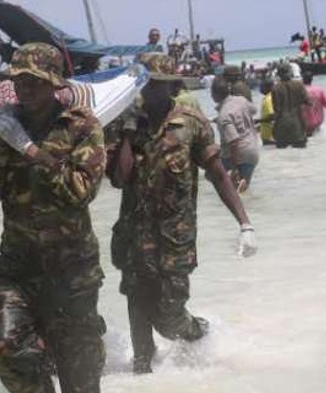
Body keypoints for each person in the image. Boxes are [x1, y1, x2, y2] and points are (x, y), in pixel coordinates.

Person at [0, 43, 107, 393]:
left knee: (82, 384)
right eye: (18, 81)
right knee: (4, 348)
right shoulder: (0, 127)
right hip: (19, 268)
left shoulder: (81, 126)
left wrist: (29, 150)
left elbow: (80, 190)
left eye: (34, 81)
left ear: (53, 84)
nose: (24, 88)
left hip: (72, 273)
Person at [108, 53, 257, 375]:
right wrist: (129, 133)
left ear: (172, 86)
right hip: (134, 235)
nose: (149, 91)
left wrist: (244, 223)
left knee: (170, 317)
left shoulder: (191, 122)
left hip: (174, 239)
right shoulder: (128, 124)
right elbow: (120, 179)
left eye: (157, 85)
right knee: (137, 301)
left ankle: (201, 334)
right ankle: (142, 369)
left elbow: (218, 174)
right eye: (144, 83)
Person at [211, 77, 260, 192]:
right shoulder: (241, 100)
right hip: (252, 151)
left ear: (214, 94)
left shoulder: (224, 115)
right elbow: (253, 111)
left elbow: (234, 142)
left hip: (237, 155)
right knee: (241, 191)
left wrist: (235, 168)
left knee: (232, 192)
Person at [272, 64, 309, 148]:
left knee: (281, 156)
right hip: (297, 123)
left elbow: (277, 110)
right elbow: (308, 102)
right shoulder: (299, 85)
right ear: (291, 72)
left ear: (278, 75)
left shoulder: (275, 88)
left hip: (282, 124)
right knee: (302, 155)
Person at [301, 71, 326, 136]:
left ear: (302, 79)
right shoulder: (320, 90)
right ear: (312, 79)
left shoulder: (298, 91)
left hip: (302, 124)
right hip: (317, 123)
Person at [258, 80, 276, 146]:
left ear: (268, 87)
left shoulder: (268, 99)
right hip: (268, 134)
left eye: (262, 87)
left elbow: (272, 116)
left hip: (269, 136)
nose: (260, 89)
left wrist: (258, 121)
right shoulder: (269, 97)